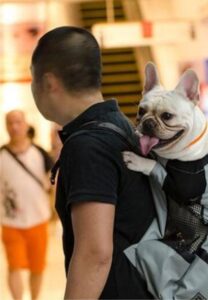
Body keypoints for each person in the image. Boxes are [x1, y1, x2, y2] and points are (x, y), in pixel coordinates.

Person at [30, 26, 156, 299]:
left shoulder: (88, 146)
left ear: (49, 82)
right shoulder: (120, 126)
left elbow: (95, 254)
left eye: (33, 78)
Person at [0, 110, 53, 300]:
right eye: (10, 123)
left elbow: (52, 182)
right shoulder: (2, 155)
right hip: (10, 222)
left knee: (37, 267)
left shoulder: (40, 153)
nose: (14, 127)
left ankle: (34, 298)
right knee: (14, 266)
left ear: (25, 124)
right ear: (6, 127)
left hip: (38, 219)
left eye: (18, 122)